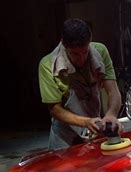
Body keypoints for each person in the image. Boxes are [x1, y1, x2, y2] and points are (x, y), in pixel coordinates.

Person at [38, 18, 122, 149]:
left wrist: (111, 114)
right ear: (63, 45)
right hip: (64, 132)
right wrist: (85, 122)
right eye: (75, 54)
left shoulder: (100, 52)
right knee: (62, 167)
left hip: (95, 125)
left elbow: (113, 91)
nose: (81, 58)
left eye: (84, 51)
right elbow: (55, 110)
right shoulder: (48, 65)